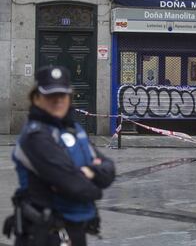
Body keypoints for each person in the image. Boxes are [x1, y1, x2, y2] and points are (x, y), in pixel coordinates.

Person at [3, 66, 116, 246]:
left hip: (76, 230)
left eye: (62, 95)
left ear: (70, 97)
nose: (57, 101)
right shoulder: (36, 137)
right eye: (50, 96)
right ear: (36, 98)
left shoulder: (74, 130)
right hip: (44, 234)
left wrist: (89, 173)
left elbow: (109, 168)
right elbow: (75, 186)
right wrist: (93, 181)